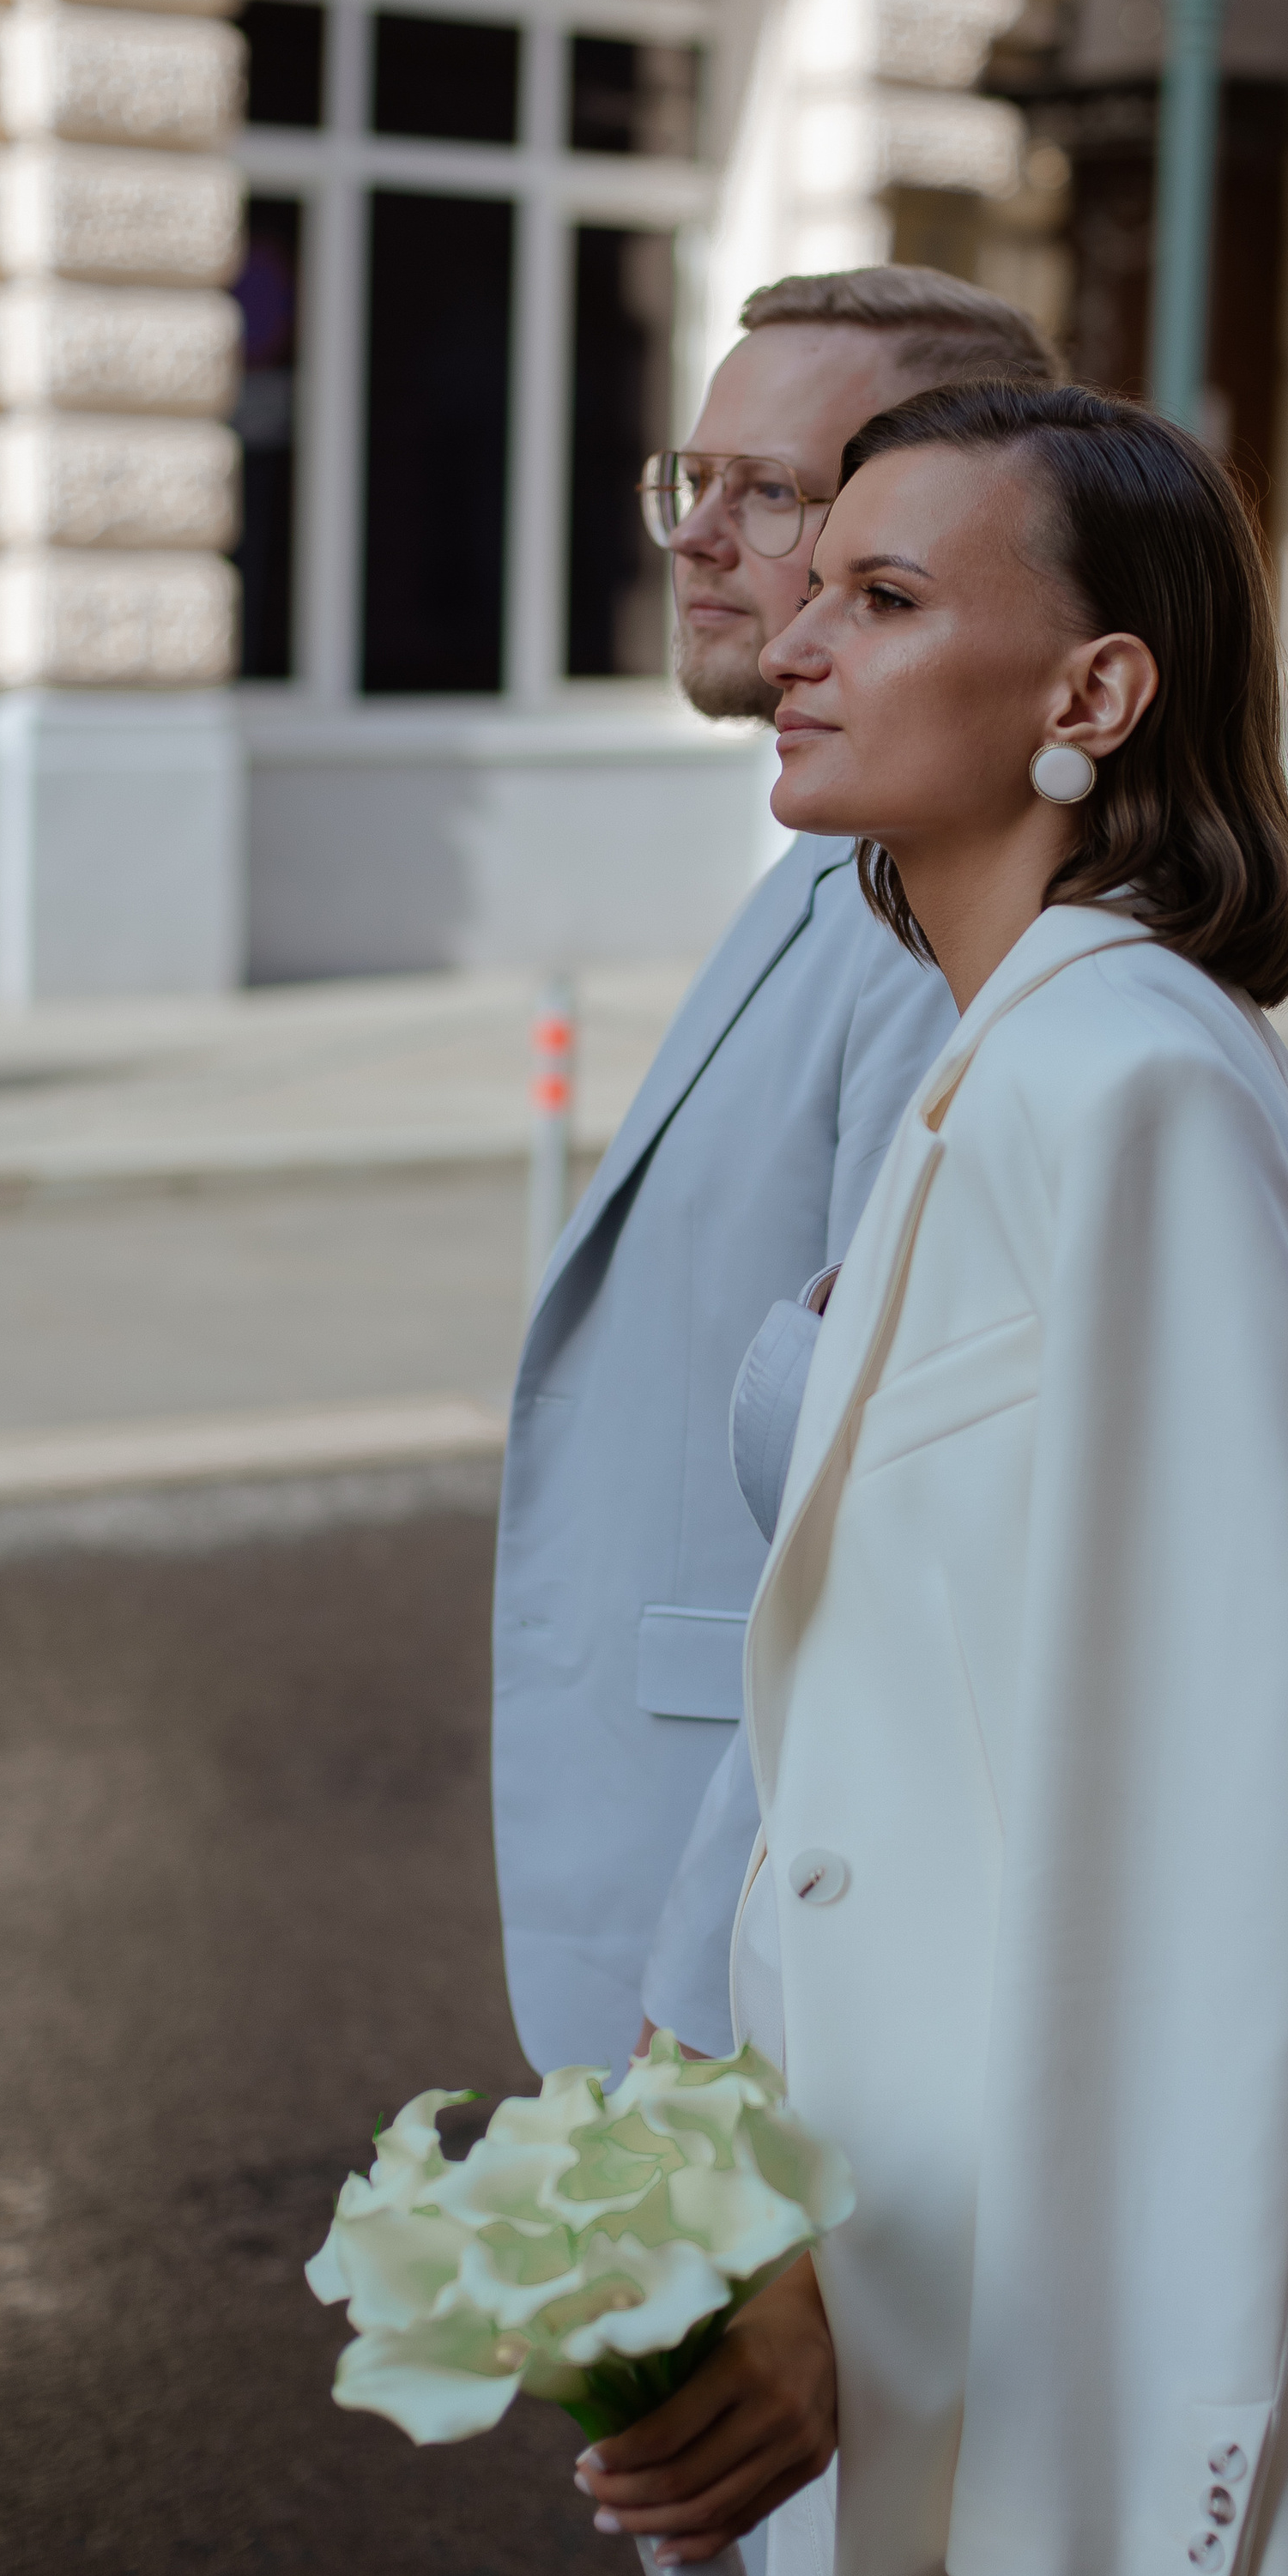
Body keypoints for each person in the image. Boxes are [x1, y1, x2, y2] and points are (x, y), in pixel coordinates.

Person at [573, 384, 1288, 2576]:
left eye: (886, 595)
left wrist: (870, 2297)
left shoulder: (1124, 1083)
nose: (796, 638)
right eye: (812, 582)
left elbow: (1215, 1803)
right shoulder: (999, 1054)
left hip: (988, 2302)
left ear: (1093, 696)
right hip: (894, 2244)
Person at [492, 268, 1055, 2081]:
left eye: (774, 497)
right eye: (691, 479)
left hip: (768, 1952)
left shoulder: (939, 932)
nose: (700, 540)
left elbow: (897, 1555)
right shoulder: (835, 858)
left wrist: (707, 2026)